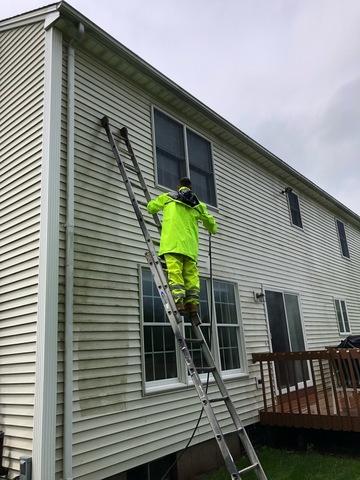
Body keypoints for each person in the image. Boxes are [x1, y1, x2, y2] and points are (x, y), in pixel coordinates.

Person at [147, 177, 218, 319]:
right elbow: (212, 226)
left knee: (175, 273)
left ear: (179, 186)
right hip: (190, 249)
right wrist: (209, 224)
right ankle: (192, 305)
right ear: (191, 188)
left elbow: (151, 208)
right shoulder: (198, 205)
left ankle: (178, 303)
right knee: (191, 278)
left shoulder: (168, 197)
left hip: (172, 244)